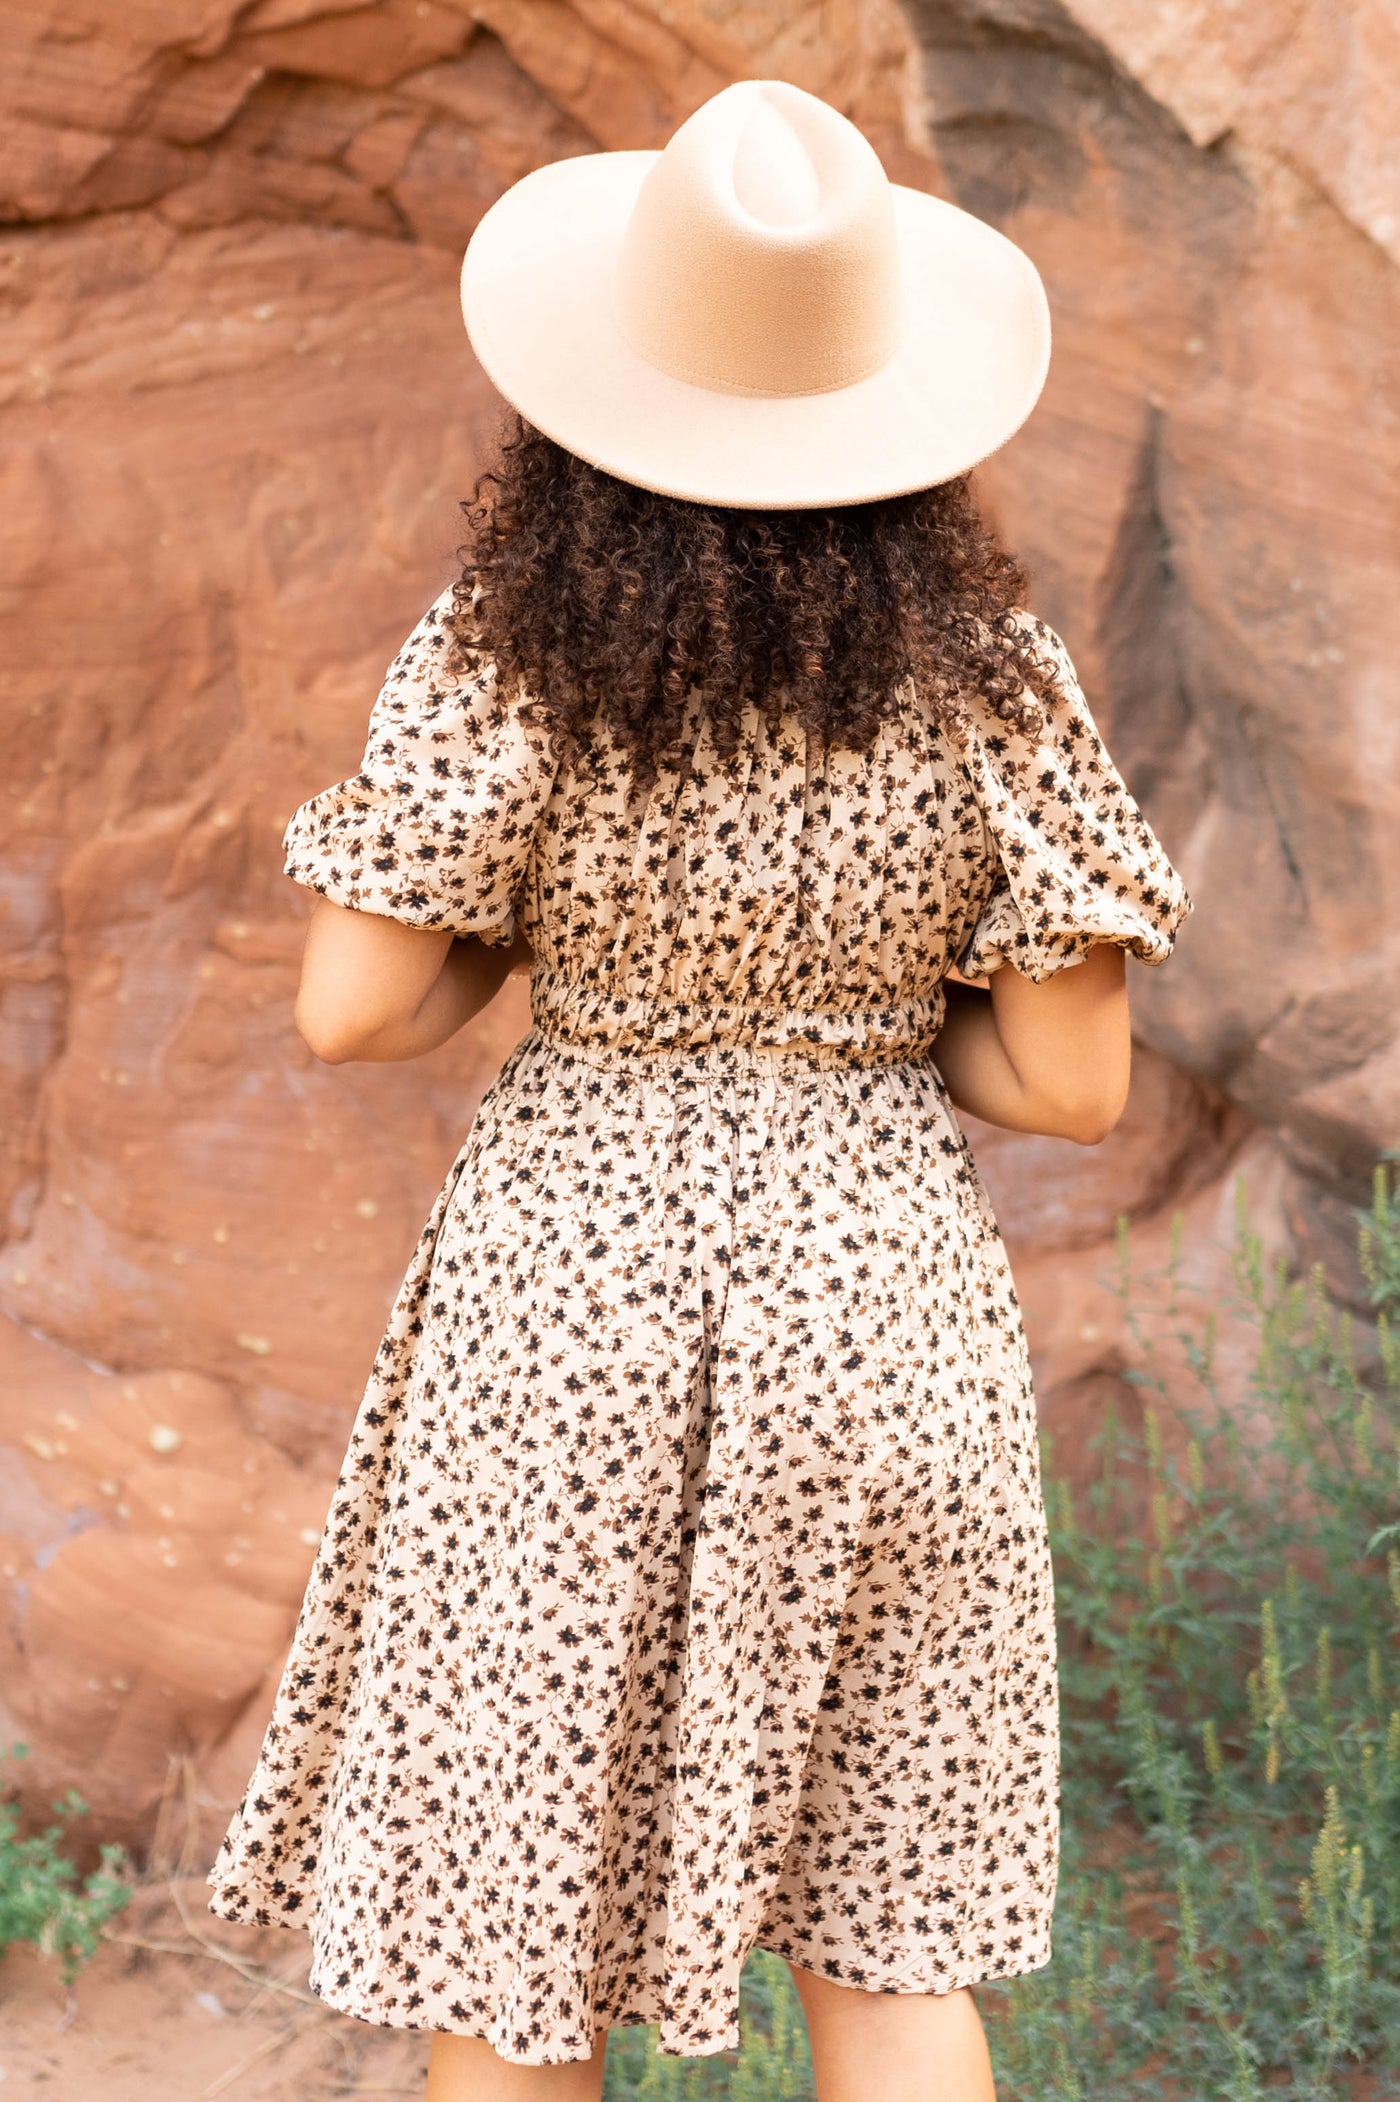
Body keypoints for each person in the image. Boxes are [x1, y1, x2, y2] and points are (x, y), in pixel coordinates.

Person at [207, 78, 1191, 2102]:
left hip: (571, 1297)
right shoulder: (994, 671)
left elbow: (351, 1008)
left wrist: (541, 953)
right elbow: (1072, 1077)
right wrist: (856, 1012)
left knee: (516, 1942)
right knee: (891, 1941)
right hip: (880, 1302)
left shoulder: (517, 647)